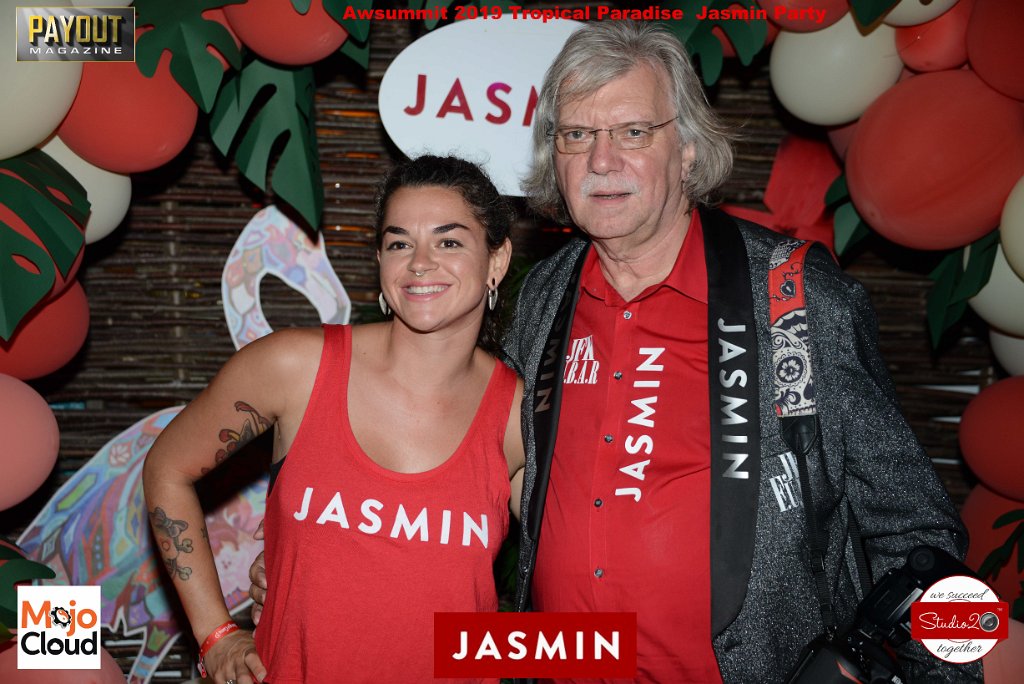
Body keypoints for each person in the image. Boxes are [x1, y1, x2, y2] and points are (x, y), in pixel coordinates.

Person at [251, 21, 981, 682]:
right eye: (576, 135)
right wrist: (316, 559)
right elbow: (474, 474)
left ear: (686, 149)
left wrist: (941, 674)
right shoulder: (546, 296)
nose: (602, 160)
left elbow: (919, 530)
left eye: (633, 131)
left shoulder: (791, 296)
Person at [144, 155, 525, 684]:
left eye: (449, 242)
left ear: (496, 260)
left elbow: (587, 579)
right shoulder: (295, 367)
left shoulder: (519, 418)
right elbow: (167, 467)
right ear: (380, 260)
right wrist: (216, 635)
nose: (420, 263)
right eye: (399, 243)